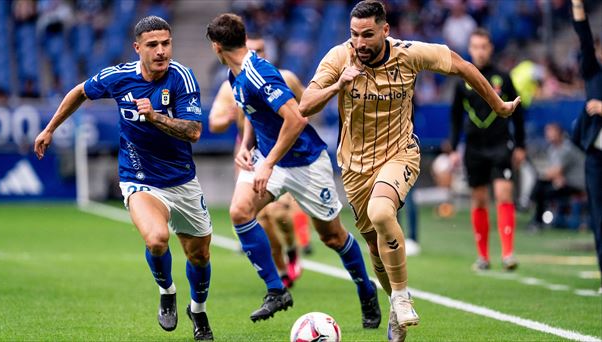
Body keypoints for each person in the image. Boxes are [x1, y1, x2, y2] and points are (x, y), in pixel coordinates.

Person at [299, 1, 520, 340]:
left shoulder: (410, 54)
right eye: (354, 35)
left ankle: (402, 296)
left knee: (381, 212)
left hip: (399, 154)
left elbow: (462, 66)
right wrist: (338, 85)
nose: (360, 43)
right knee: (374, 246)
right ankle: (394, 305)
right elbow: (305, 105)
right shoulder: (339, 58)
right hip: (354, 166)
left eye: (368, 35)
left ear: (385, 30)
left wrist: (498, 104)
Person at [33, 16, 214, 341]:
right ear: (137, 48)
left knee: (199, 254)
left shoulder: (181, 78)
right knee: (157, 239)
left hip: (182, 180)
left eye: (166, 43)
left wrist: (155, 116)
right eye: (153, 45)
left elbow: (195, 132)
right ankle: (167, 291)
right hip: (139, 177)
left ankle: (198, 311)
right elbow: (79, 92)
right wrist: (49, 128)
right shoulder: (118, 77)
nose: (161, 51)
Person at [205, 13, 381, 326]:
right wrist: (247, 147)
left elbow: (297, 119)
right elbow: (252, 115)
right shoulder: (236, 74)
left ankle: (366, 290)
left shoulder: (259, 74)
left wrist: (268, 163)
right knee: (240, 212)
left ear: (216, 47)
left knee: (332, 236)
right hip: (270, 158)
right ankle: (277, 290)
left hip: (305, 161)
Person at [208, 35, 310, 288]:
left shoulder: (284, 78)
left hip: (285, 154)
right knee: (262, 220)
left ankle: (293, 249)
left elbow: (308, 105)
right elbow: (214, 123)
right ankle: (282, 271)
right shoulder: (229, 86)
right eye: (251, 49)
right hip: (250, 156)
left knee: (279, 212)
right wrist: (231, 116)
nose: (255, 54)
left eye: (260, 49)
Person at [448, 28, 526, 272]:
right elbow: (455, 117)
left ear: (490, 48)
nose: (480, 52)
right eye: (475, 47)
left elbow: (519, 112)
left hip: (501, 144)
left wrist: (521, 145)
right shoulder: (462, 81)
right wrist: (453, 148)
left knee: (504, 193)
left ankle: (508, 254)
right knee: (479, 199)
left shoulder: (503, 77)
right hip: (474, 148)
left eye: (484, 47)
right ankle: (483, 256)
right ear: (469, 49)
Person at [570, 0, 602, 294]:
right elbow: (583, 37)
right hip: (595, 155)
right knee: (598, 215)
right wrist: (578, 5)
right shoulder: (594, 73)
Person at [529, 123, 585, 230]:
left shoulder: (566, 148)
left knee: (543, 188)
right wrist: (554, 177)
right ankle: (536, 216)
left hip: (578, 184)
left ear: (559, 133)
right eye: (547, 132)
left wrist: (548, 176)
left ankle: (534, 212)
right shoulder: (552, 149)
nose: (548, 135)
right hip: (564, 182)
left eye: (551, 132)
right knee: (543, 187)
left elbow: (555, 171)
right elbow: (555, 173)